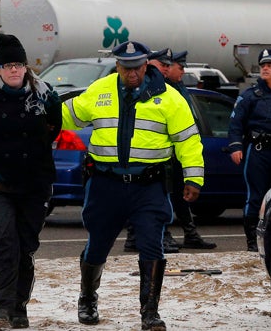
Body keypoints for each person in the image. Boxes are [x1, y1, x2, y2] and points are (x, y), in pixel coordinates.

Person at [62, 40, 204, 331]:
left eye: (137, 67)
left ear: (147, 65)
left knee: (152, 246)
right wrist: (39, 105)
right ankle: (87, 298)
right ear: (117, 66)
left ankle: (149, 312)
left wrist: (193, 177)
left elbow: (188, 140)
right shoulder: (99, 91)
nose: (132, 73)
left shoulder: (169, 97)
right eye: (126, 67)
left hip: (148, 186)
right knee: (98, 245)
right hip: (105, 185)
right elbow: (66, 116)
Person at [0, 33, 62, 329]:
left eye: (19, 64)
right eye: (8, 65)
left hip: (34, 183)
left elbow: (53, 129)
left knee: (25, 245)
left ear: (26, 66)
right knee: (4, 242)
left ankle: (19, 305)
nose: (14, 70)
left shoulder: (46, 94)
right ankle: (0, 309)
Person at [228, 49, 271, 252]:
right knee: (256, 196)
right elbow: (235, 123)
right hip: (259, 152)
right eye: (263, 65)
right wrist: (236, 146)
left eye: (269, 65)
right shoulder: (250, 95)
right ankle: (252, 241)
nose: (264, 68)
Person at [124, 47, 179, 253]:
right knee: (148, 199)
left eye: (168, 65)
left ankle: (146, 236)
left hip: (162, 152)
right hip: (141, 153)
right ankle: (150, 236)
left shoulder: (170, 88)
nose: (166, 69)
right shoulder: (138, 87)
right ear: (149, 64)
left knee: (158, 198)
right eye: (162, 65)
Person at [165, 50, 216, 250]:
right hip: (170, 151)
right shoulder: (164, 90)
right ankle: (165, 234)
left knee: (180, 193)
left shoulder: (179, 87)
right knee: (167, 194)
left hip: (181, 151)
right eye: (180, 67)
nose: (182, 71)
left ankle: (190, 233)